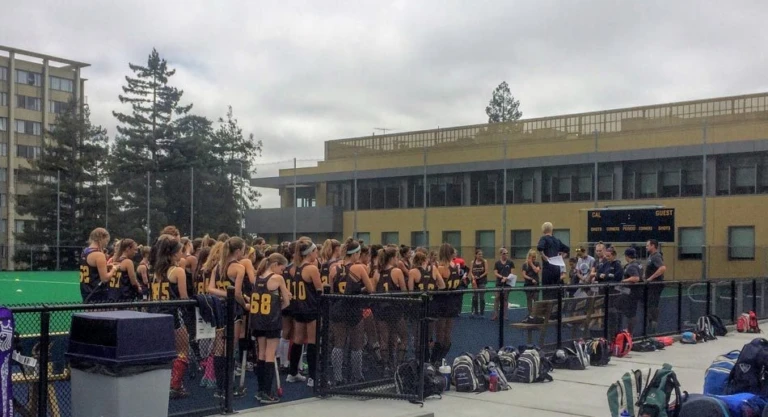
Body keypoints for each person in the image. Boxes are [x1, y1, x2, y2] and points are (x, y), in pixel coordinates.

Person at [250, 253, 292, 404]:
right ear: (275, 264)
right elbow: (287, 302)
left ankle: (260, 390)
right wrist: (278, 305)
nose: (282, 271)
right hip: (271, 321)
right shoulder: (277, 279)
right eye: (282, 268)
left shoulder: (256, 277)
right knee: (270, 354)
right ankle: (268, 392)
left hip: (257, 320)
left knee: (261, 353)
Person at [152, 234, 190, 399]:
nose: (182, 255)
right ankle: (175, 385)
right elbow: (183, 297)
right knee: (182, 350)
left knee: (164, 350)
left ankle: (163, 383)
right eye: (180, 252)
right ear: (174, 254)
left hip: (157, 313)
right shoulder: (178, 271)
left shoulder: (157, 272)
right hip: (174, 314)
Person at [536, 222, 569, 301]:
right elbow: (567, 249)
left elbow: (540, 247)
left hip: (548, 268)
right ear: (552, 229)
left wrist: (544, 256)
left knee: (547, 291)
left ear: (543, 230)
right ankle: (556, 310)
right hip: (556, 268)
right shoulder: (557, 240)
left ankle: (547, 310)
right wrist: (561, 258)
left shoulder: (544, 238)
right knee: (556, 291)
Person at [80, 228, 114, 303]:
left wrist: (106, 267)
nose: (106, 244)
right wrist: (114, 269)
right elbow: (104, 278)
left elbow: (91, 268)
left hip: (85, 289)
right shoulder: (99, 255)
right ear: (102, 238)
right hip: (96, 291)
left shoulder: (85, 251)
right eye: (106, 241)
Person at [645, 239, 666, 334]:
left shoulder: (656, 256)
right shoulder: (650, 256)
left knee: (653, 305)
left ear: (653, 246)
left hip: (655, 285)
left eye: (648, 245)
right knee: (649, 304)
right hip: (650, 285)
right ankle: (650, 324)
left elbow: (662, 268)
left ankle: (653, 326)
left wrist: (651, 278)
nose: (646, 247)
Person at [492, 248, 515, 321]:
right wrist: (502, 277)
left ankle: (505, 315)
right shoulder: (497, 263)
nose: (506, 255)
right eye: (504, 253)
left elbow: (512, 273)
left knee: (505, 299)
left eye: (507, 253)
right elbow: (495, 273)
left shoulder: (510, 262)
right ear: (501, 254)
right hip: (499, 283)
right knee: (497, 298)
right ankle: (495, 314)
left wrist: (506, 278)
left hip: (507, 284)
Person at [469, 249, 489, 318]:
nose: (481, 255)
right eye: (479, 254)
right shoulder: (472, 262)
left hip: (482, 281)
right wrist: (473, 277)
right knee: (474, 297)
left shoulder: (484, 261)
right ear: (476, 255)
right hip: (474, 282)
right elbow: (470, 271)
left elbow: (486, 271)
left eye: (481, 254)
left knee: (481, 297)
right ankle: (474, 312)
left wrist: (479, 276)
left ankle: (482, 313)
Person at [521, 249, 541, 318]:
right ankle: (530, 313)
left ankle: (536, 313)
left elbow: (536, 271)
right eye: (533, 257)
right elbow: (524, 275)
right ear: (529, 257)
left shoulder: (537, 263)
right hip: (528, 284)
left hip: (536, 285)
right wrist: (531, 279)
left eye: (535, 257)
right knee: (529, 299)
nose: (534, 258)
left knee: (536, 299)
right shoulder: (524, 265)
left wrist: (531, 264)